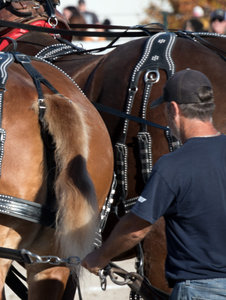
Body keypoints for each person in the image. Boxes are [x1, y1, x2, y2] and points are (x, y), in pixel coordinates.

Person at [82, 69, 226, 299]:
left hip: (200, 289)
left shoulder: (173, 165)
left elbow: (136, 228)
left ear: (174, 109)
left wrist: (100, 257)